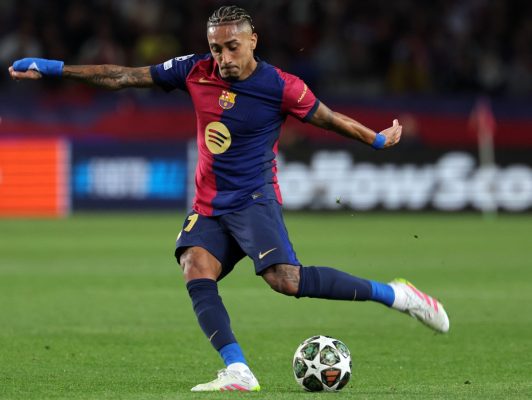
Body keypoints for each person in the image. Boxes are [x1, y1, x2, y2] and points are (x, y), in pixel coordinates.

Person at [9, 5, 449, 393]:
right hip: (208, 205)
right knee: (194, 265)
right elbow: (123, 76)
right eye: (216, 49)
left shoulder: (282, 86)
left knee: (285, 281)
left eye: (232, 47)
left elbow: (329, 119)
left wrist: (376, 139)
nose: (223, 58)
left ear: (253, 40)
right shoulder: (193, 69)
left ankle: (395, 294)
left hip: (253, 199)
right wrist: (56, 69)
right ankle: (238, 370)